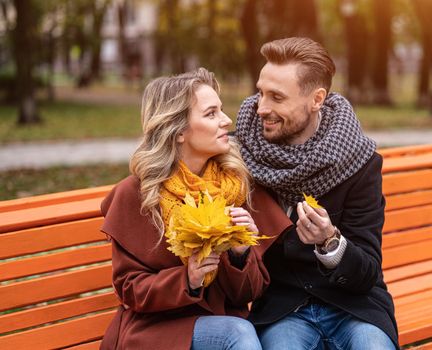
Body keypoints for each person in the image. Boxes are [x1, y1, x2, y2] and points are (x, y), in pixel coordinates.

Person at [100, 68, 291, 350]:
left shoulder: (233, 185)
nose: (227, 121)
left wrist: (240, 254)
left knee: (243, 331)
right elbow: (130, 290)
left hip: (224, 320)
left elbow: (248, 294)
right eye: (211, 113)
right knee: (237, 333)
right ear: (178, 131)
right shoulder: (140, 193)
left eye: (221, 110)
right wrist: (188, 278)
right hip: (157, 329)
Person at [236, 37, 399, 349]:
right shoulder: (242, 156)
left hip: (353, 308)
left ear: (316, 99)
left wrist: (330, 242)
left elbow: (366, 272)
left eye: (277, 97)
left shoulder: (358, 161)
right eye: (260, 93)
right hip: (283, 312)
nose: (262, 108)